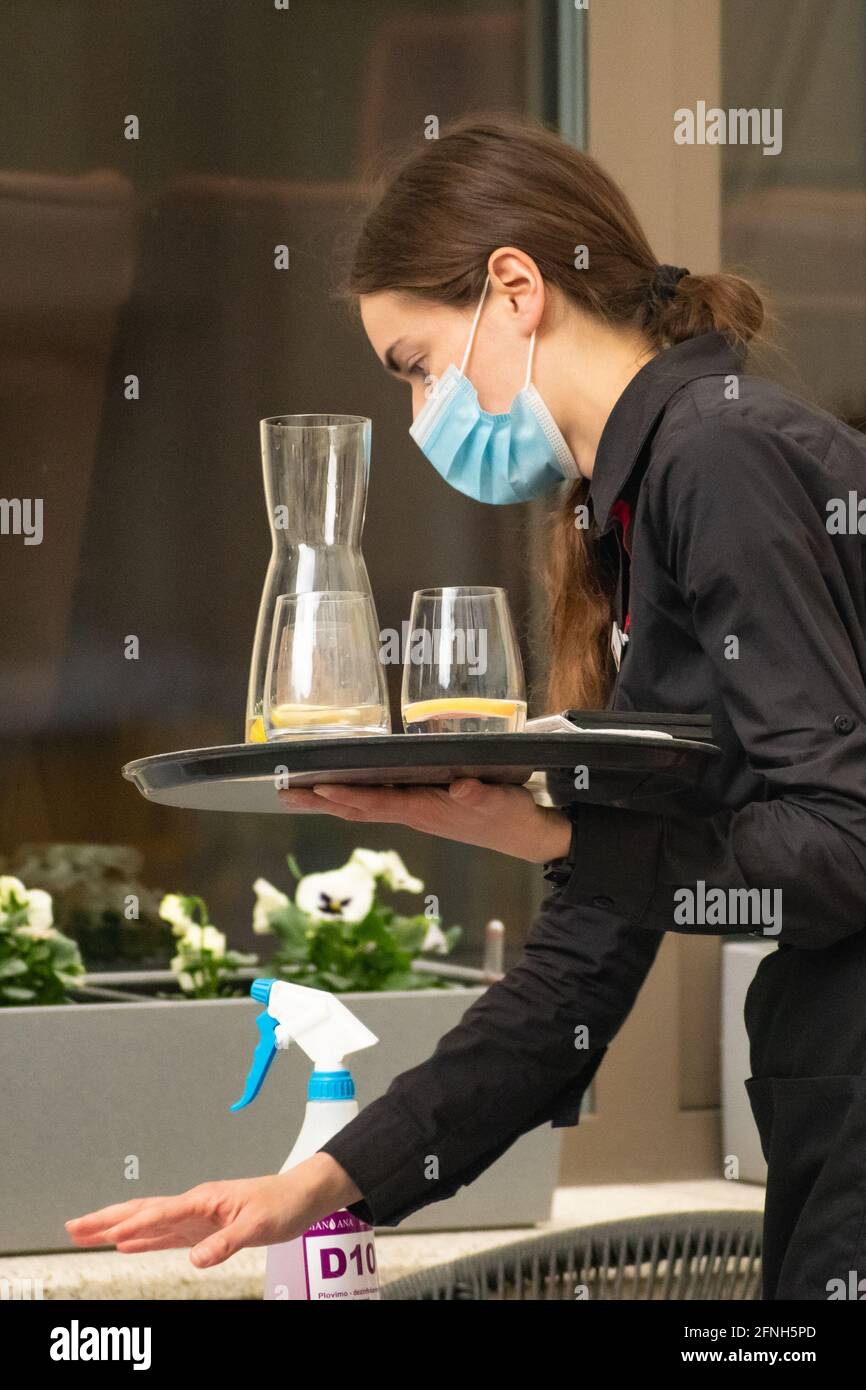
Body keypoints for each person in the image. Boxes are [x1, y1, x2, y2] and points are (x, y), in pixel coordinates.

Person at [67, 117, 866, 1301]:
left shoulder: (718, 459)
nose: (419, 414)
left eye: (416, 365)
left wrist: (548, 828)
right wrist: (323, 1184)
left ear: (514, 287)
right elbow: (580, 969)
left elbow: (844, 843)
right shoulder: (638, 512)